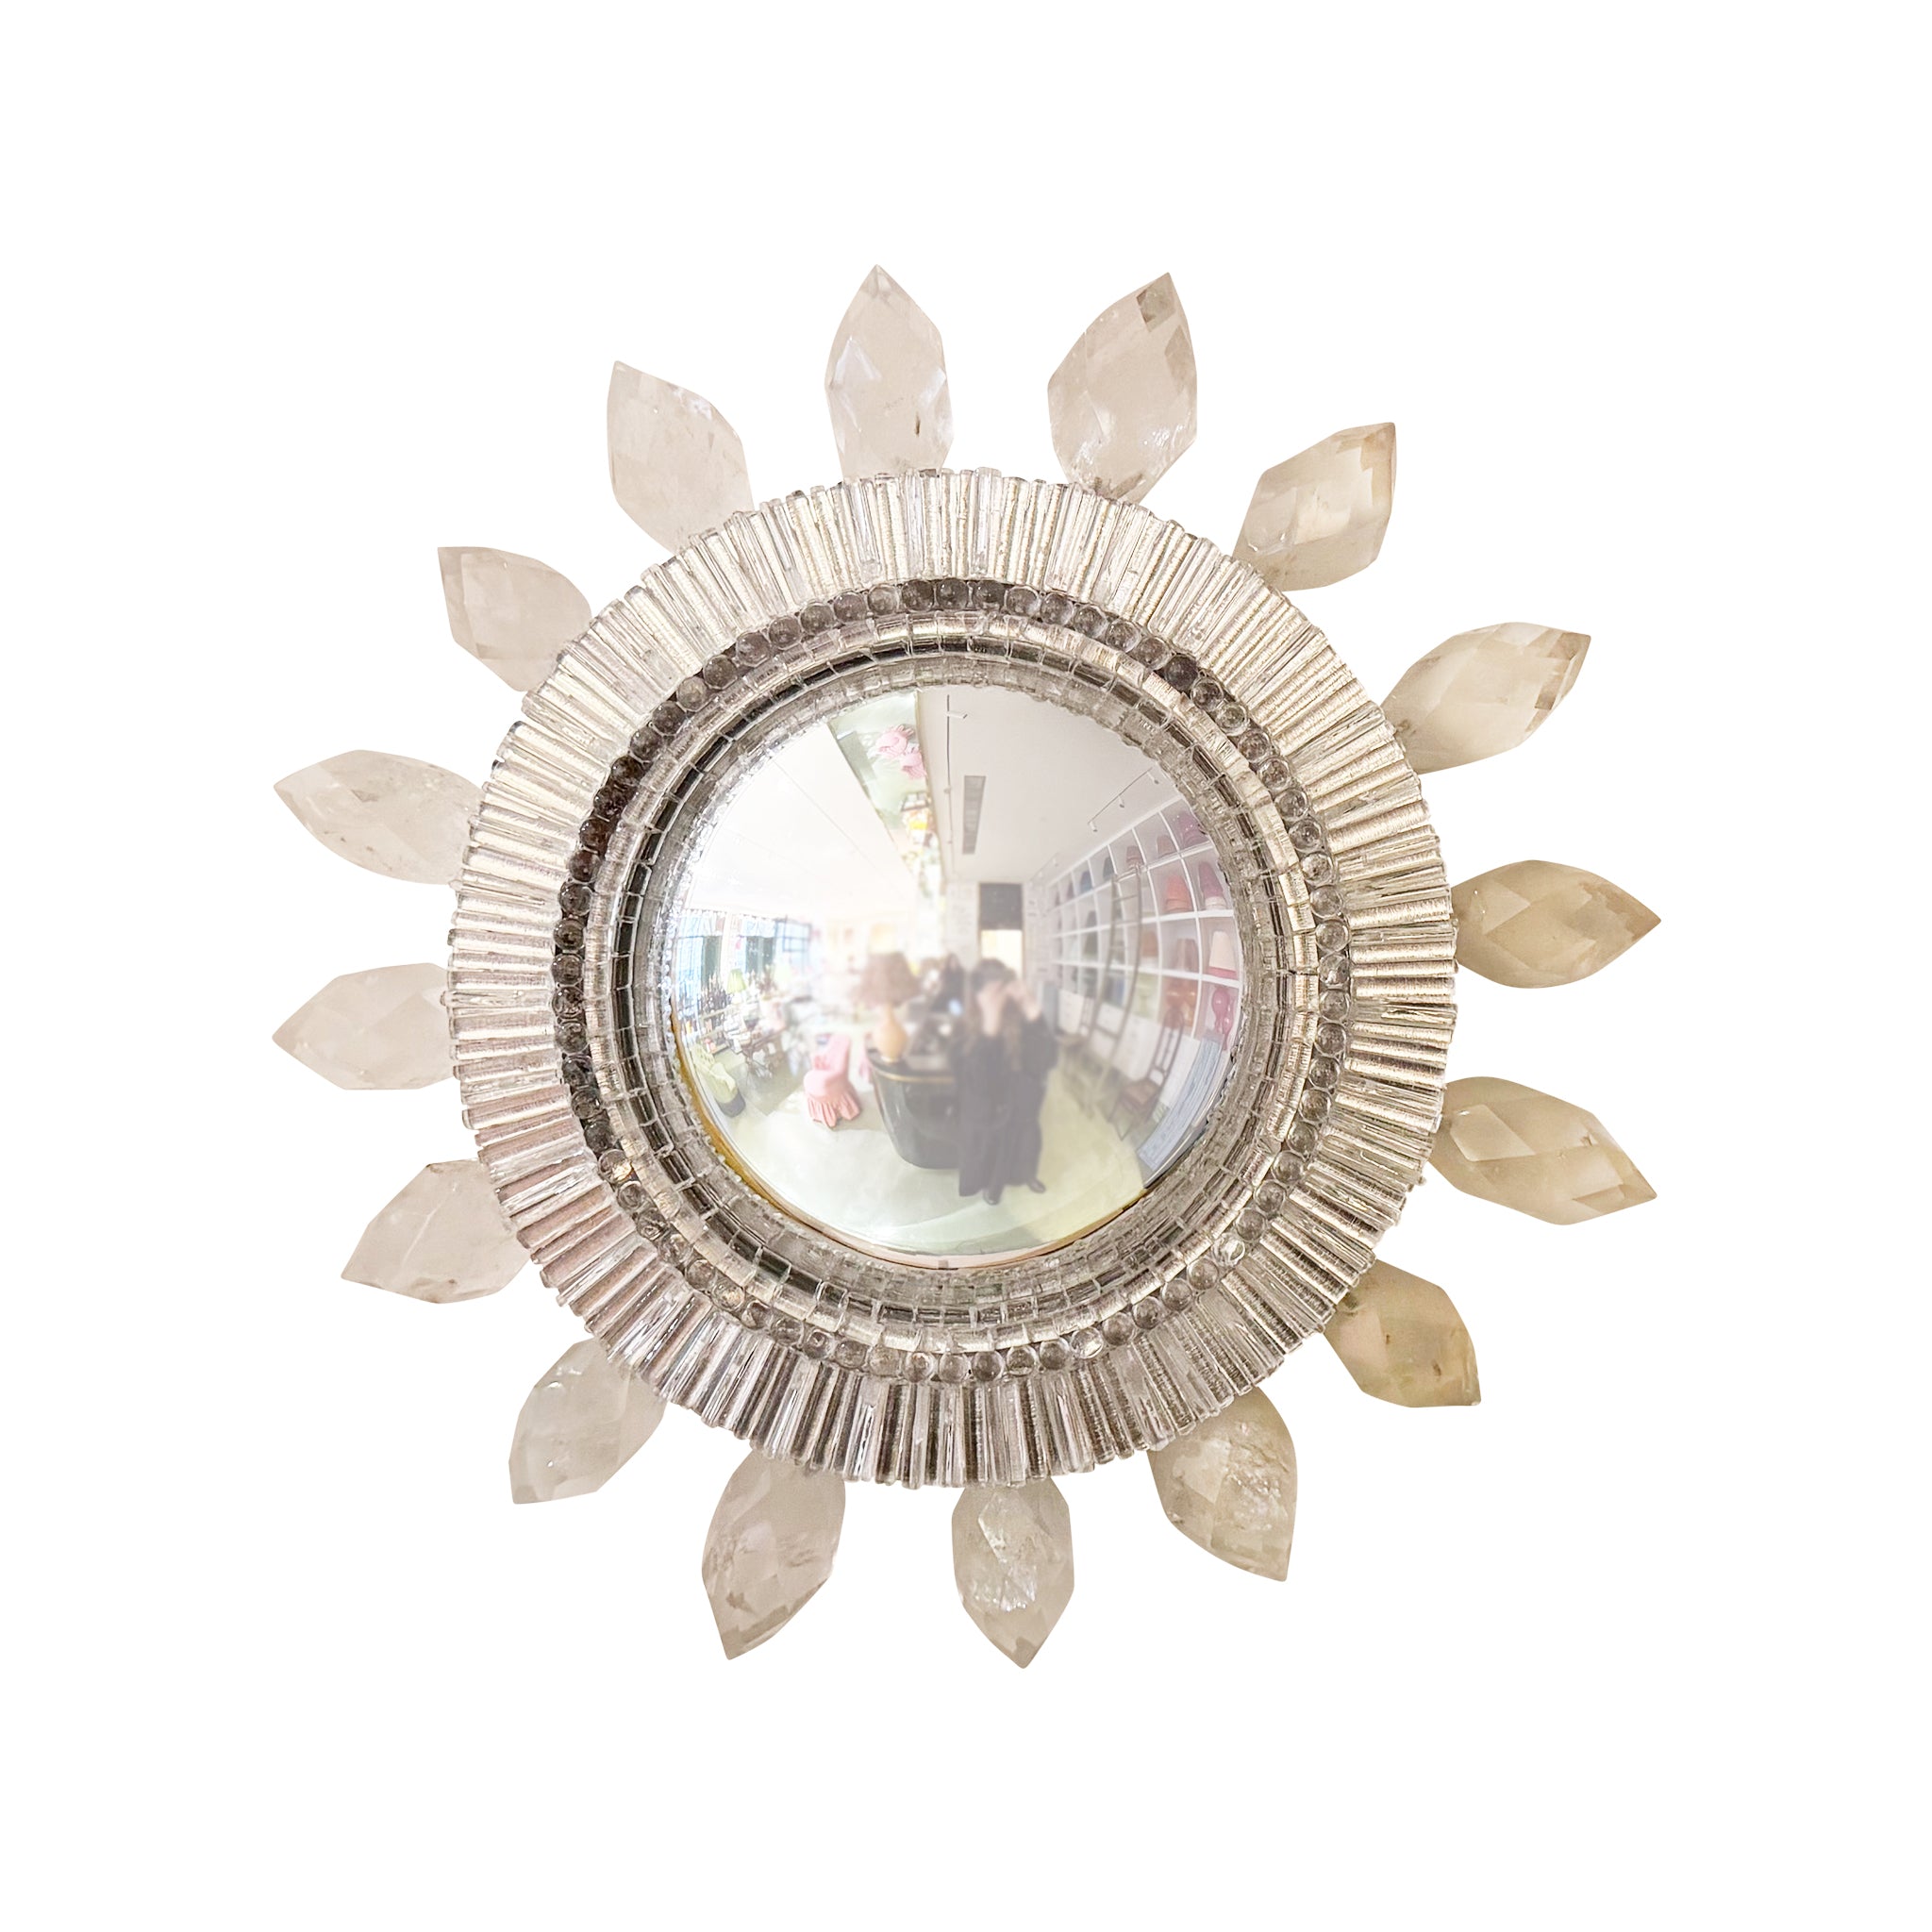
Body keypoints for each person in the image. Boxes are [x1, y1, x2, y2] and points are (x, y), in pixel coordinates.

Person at [955, 959, 1056, 1206]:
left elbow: (1047, 1059)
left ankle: (1027, 1174)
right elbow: (979, 1083)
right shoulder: (966, 1026)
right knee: (994, 1147)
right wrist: (990, 1022)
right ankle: (991, 1186)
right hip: (987, 1110)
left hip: (1021, 1100)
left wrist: (1031, 1008)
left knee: (1026, 1140)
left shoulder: (1018, 1018)